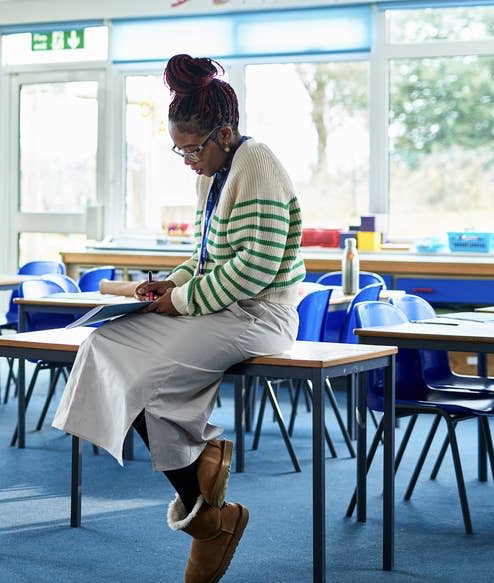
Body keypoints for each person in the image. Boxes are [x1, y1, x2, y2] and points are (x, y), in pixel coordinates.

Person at [53, 53, 305, 583]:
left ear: (225, 132)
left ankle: (207, 518)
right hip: (222, 304)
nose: (187, 159)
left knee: (145, 380)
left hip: (261, 314)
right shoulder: (214, 173)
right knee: (106, 345)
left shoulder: (256, 163)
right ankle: (206, 498)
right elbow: (208, 257)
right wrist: (174, 282)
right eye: (180, 149)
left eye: (193, 147)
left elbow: (257, 268)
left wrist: (184, 300)